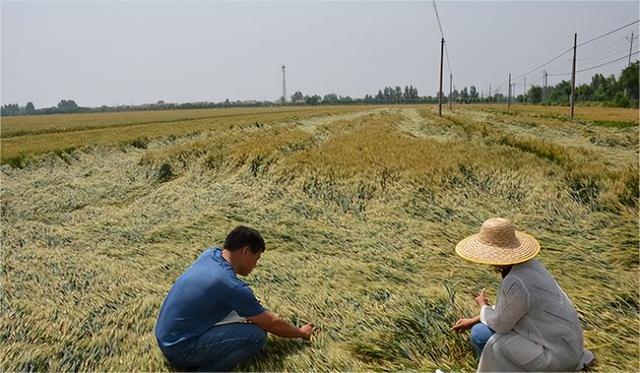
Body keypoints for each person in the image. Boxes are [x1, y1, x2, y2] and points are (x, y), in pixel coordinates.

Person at [155, 226, 313, 371]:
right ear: (245, 252)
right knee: (256, 336)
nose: (255, 265)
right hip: (180, 349)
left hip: (165, 336)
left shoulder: (210, 255)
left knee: (244, 316)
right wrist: (301, 333)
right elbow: (271, 324)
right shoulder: (231, 285)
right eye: (256, 259)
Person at [451, 218, 594, 372]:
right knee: (482, 327)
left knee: (480, 334)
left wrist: (483, 307)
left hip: (554, 358)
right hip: (570, 348)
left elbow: (501, 325)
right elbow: (514, 308)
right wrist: (474, 319)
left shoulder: (515, 281)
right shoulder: (532, 266)